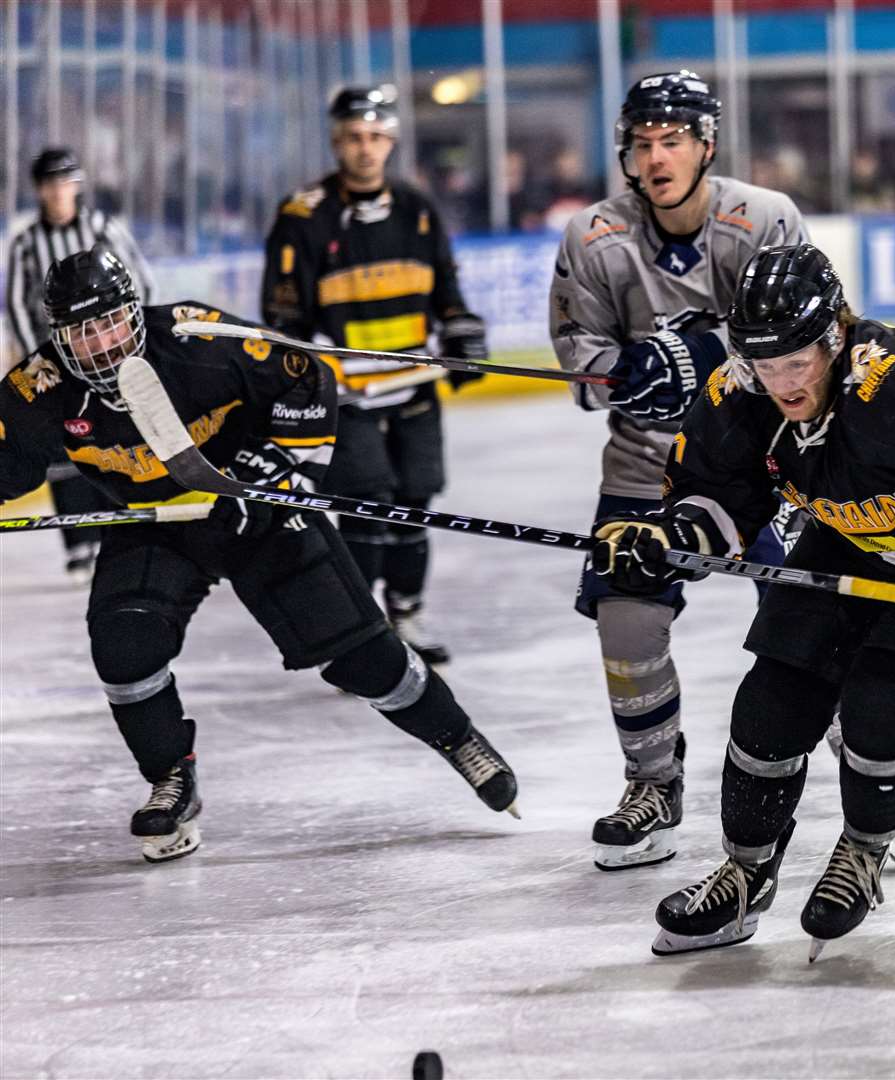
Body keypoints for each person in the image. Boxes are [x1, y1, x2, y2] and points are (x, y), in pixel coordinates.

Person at [591, 243, 895, 958]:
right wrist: (668, 540)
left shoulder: (894, 378)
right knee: (768, 709)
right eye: (764, 362)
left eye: (796, 362)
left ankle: (865, 850)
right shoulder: (740, 391)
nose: (781, 381)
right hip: (849, 540)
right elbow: (720, 501)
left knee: (882, 710)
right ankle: (746, 875)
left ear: (834, 336)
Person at [0, 248, 519, 862]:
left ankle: (458, 739)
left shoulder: (198, 336)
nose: (104, 342)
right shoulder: (40, 387)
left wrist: (284, 470)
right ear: (58, 338)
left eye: (111, 321)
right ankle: (171, 777)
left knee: (359, 656)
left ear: (135, 311)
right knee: (124, 648)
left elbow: (306, 373)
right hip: (156, 527)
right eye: (84, 333)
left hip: (256, 512)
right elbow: (11, 464)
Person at [549, 71, 809, 872]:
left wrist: (707, 361)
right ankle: (653, 784)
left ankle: (865, 789)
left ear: (706, 145)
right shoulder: (592, 235)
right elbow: (578, 361)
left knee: (817, 619)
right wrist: (630, 371)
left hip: (767, 464)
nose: (657, 158)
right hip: (645, 464)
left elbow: (814, 339)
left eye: (674, 141)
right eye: (643, 143)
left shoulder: (766, 219)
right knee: (626, 617)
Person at [262, 85, 488, 667]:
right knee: (368, 501)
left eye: (376, 137)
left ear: (391, 140)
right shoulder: (303, 215)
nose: (366, 149)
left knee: (415, 499)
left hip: (411, 385)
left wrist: (460, 329)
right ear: (338, 141)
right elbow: (282, 316)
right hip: (346, 392)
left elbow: (447, 290)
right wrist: (305, 365)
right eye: (354, 137)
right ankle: (358, 633)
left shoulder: (416, 208)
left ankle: (406, 613)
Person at [5, 147, 155, 584]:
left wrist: (136, 344)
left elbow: (140, 281)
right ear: (39, 190)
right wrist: (40, 356)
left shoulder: (103, 229)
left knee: (115, 434)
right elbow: (15, 300)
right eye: (50, 184)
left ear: (78, 185)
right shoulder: (27, 243)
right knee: (62, 443)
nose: (58, 192)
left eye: (66, 182)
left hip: (112, 353)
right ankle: (78, 544)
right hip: (55, 357)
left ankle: (118, 527)